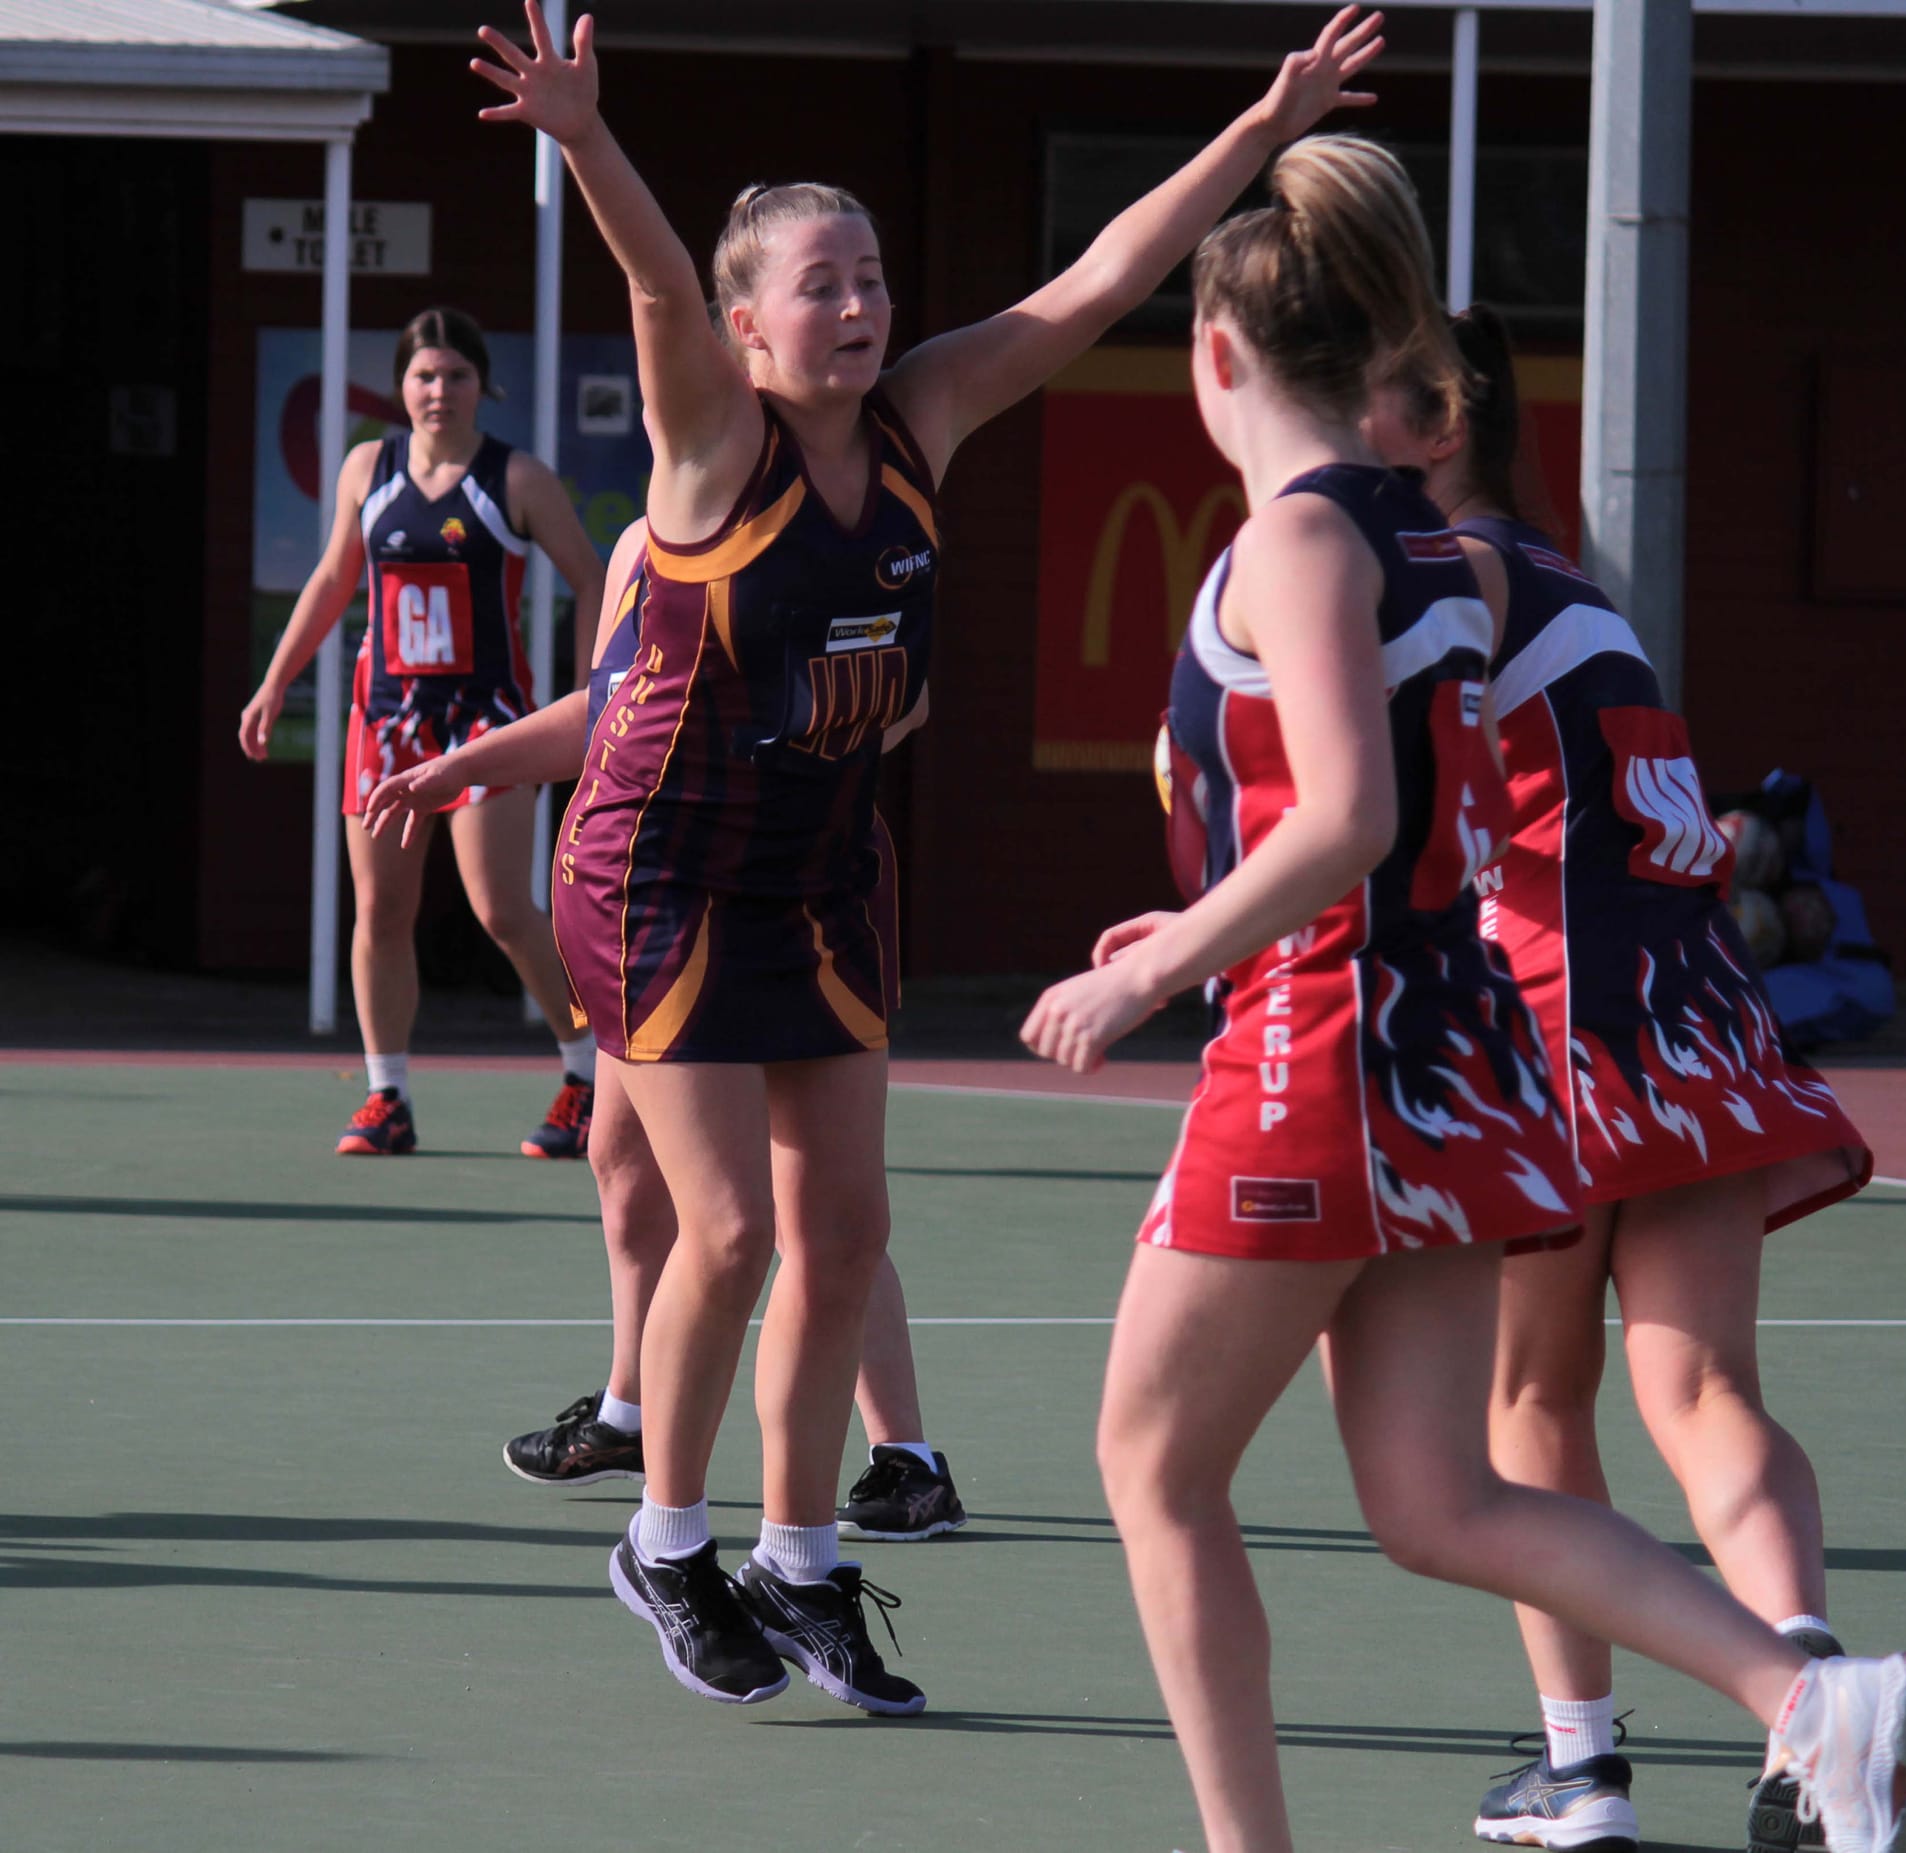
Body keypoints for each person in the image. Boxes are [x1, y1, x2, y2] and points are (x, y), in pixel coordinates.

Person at [468, 0, 1391, 1716]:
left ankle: (802, 1565)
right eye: (822, 285)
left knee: (844, 1230)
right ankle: (667, 1543)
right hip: (658, 874)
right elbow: (663, 288)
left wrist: (1263, 128)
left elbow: (1101, 279)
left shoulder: (922, 417)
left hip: (821, 870)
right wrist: (586, 137)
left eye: (873, 276)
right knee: (726, 1231)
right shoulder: (708, 445)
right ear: (749, 328)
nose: (861, 306)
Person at [1019, 133, 1906, 1853]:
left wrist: (1164, 955)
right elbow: (1368, 817)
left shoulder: (1296, 544)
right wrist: (1189, 921)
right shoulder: (1444, 550)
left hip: (1318, 1053)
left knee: (1154, 1472)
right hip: (1449, 1067)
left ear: (1217, 356)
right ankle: (1812, 1697)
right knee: (1441, 1494)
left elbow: (1356, 819)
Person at [1364, 304, 1875, 1853]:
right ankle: (1820, 1707)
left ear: (1440, 421)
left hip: (1559, 1010)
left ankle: (1582, 1768)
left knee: (1533, 1399)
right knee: (1708, 1392)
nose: (1330, 441)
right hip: (1692, 1007)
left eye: (1359, 406)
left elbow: (1382, 804)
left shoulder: (1459, 575)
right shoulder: (1586, 586)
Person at [365, 520, 965, 1541]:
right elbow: (605, 713)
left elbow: (898, 699)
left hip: (769, 887)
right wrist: (458, 766)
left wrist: (767, 747)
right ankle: (627, 1412)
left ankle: (904, 1457)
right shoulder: (645, 543)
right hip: (644, 895)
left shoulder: (818, 533)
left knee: (799, 1192)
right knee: (620, 1153)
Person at [239, 305, 607, 1160]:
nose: (438, 391)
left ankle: (589, 1075)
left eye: (455, 376)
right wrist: (274, 681)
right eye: (423, 376)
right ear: (402, 386)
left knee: (503, 908)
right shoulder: (369, 468)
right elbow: (334, 578)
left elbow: (591, 577)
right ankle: (387, 1094)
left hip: (487, 721)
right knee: (382, 906)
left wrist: (594, 694)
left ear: (483, 386)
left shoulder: (516, 479)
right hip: (386, 717)